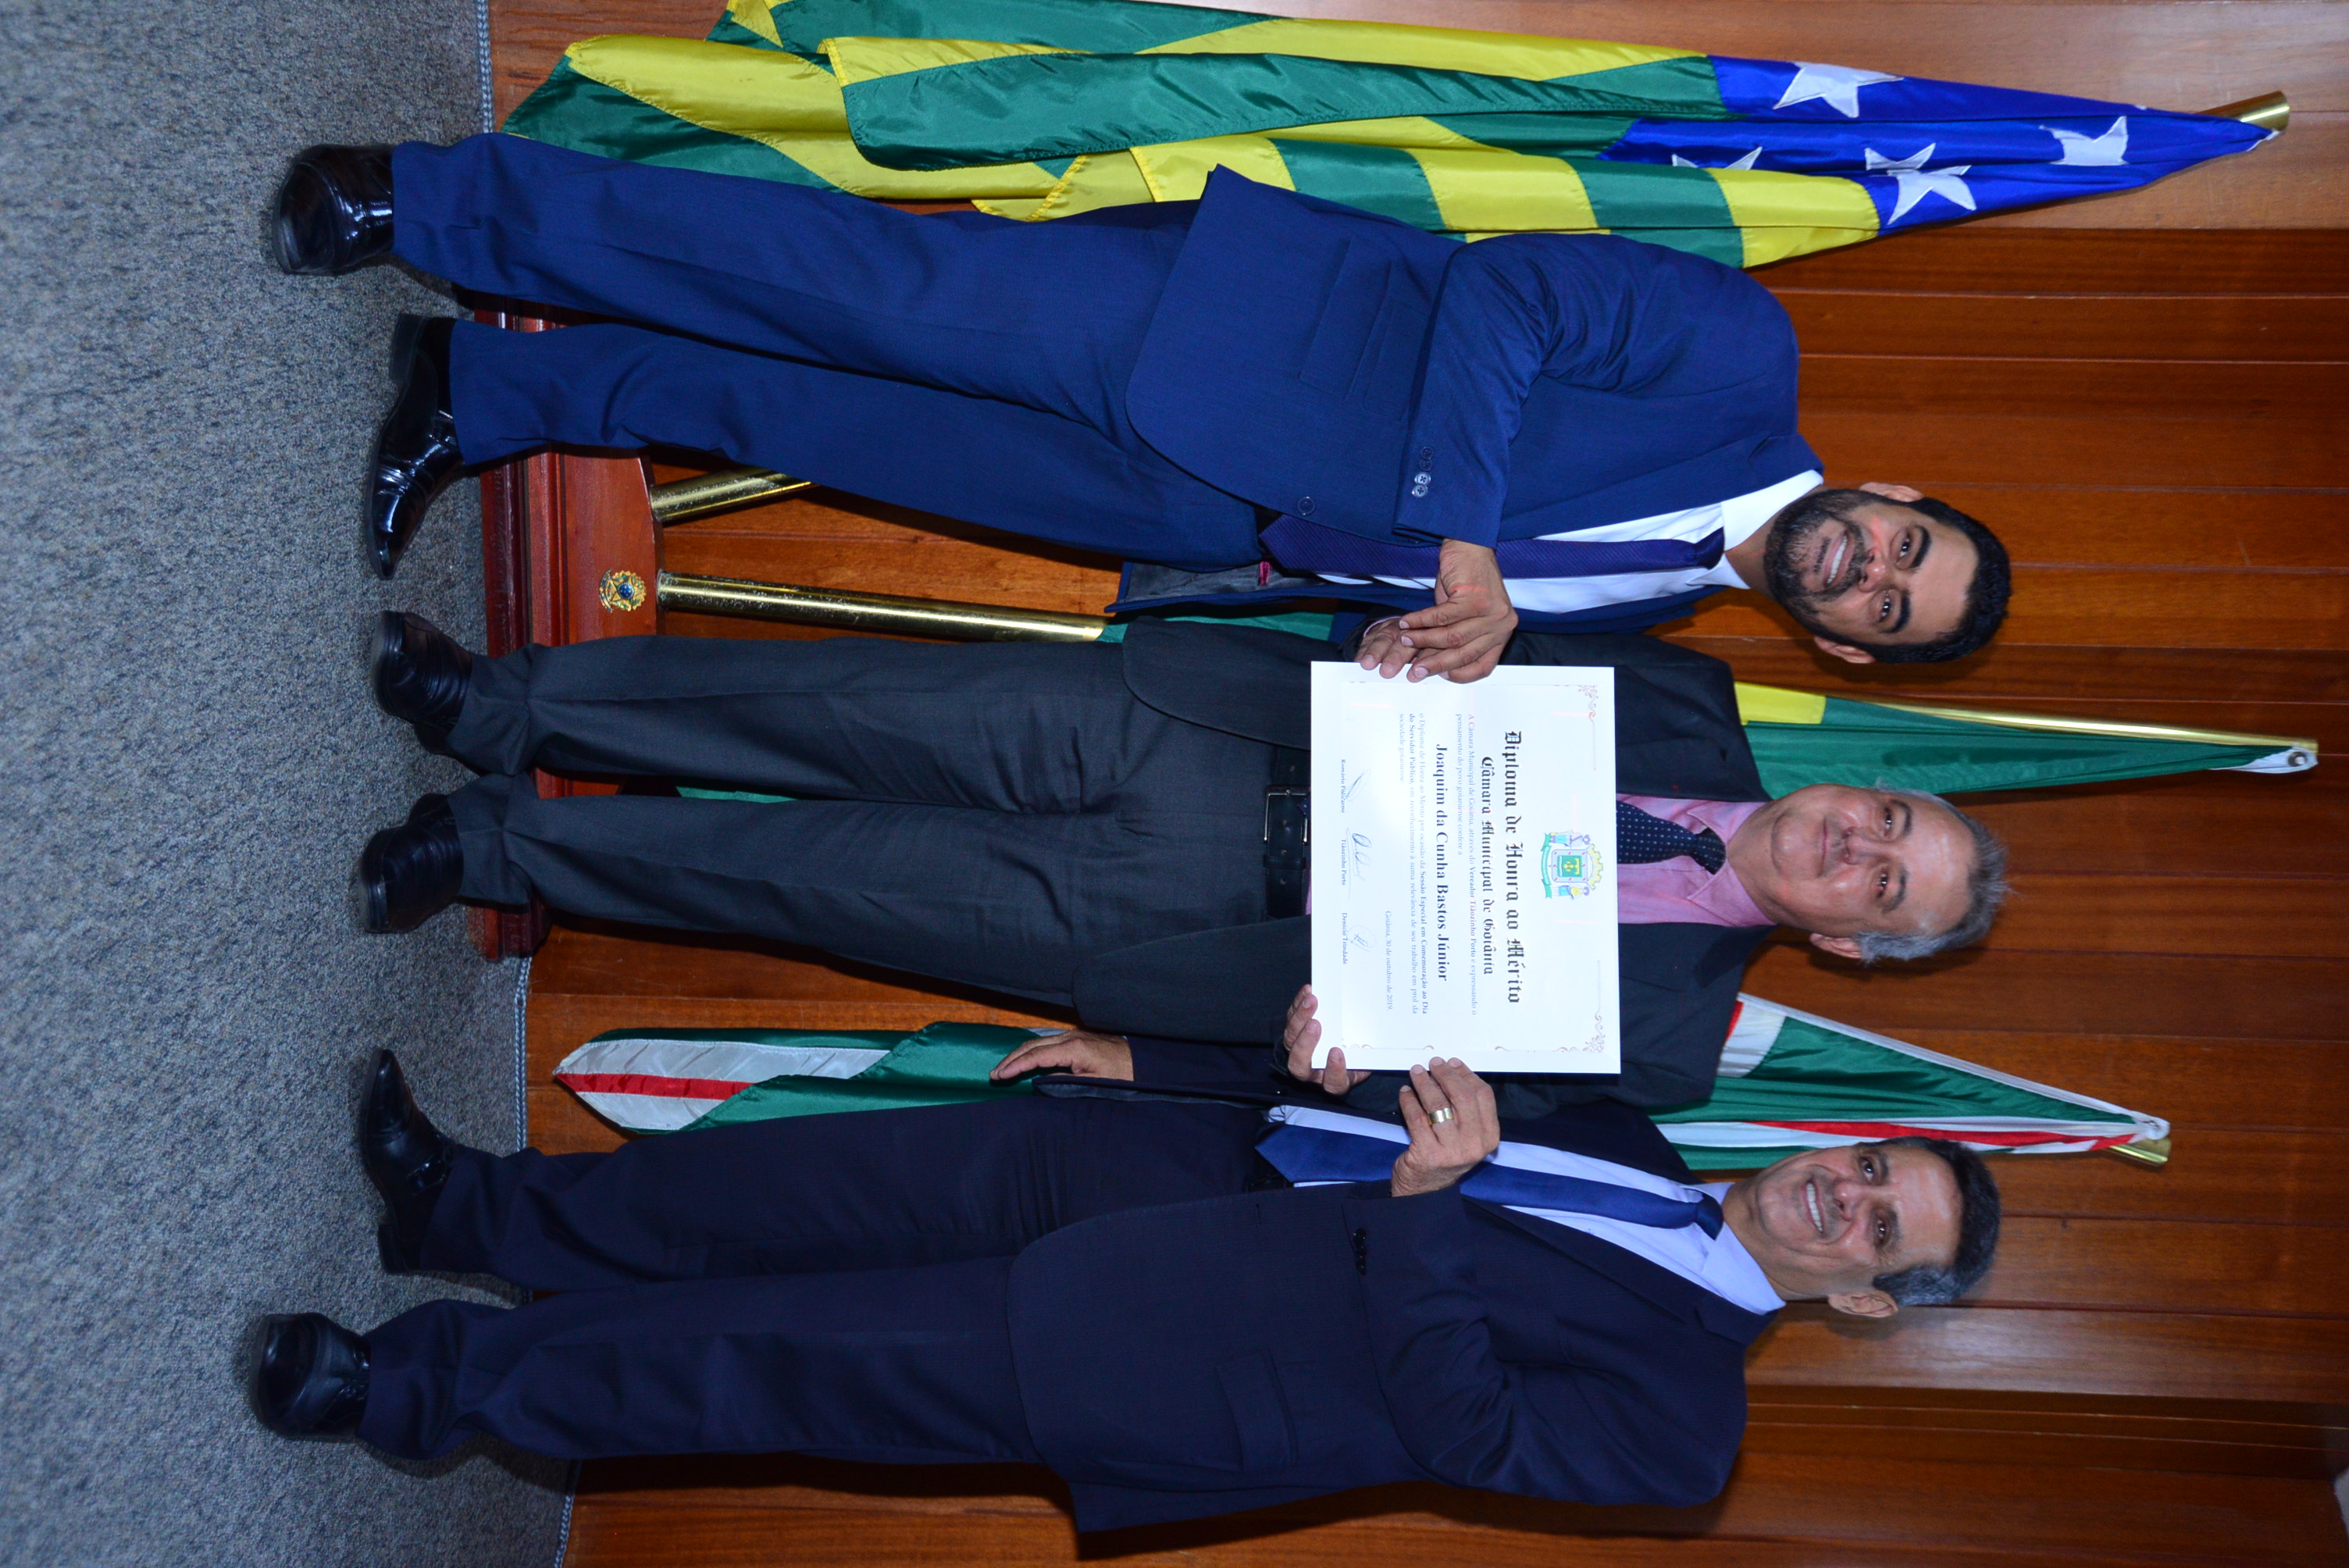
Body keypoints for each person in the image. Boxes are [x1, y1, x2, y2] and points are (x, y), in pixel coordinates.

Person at [270, 135, 2011, 680]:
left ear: (1842, 647)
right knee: (830, 278)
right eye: (1904, 548)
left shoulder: (1666, 611)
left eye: (1884, 607)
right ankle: (426, 202)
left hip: (1196, 517)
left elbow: (1426, 585)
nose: (1869, 570)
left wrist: (1388, 637)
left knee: (805, 418)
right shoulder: (1743, 361)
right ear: (1904, 492)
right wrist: (1466, 541)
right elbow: (1508, 292)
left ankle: (485, 387)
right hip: (1219, 333)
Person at [250, 1047, 2001, 1531]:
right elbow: (1391, 1071)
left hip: (1160, 1355)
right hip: (1163, 1161)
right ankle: (465, 1203)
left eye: (1879, 1231)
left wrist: (1424, 1210)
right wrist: (1194, 1056)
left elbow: (1468, 1427)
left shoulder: (1686, 1432)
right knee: (772, 1193)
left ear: (1862, 1302)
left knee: (754, 1356)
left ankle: (411, 1390)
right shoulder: (1629, 1129)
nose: (1846, 1197)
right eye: (1870, 1167)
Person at [355, 611, 2008, 1111]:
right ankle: (498, 704)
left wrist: (1343, 1070)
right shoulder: (1688, 692)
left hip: (1199, 935)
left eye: (1885, 886)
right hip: (1210, 730)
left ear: (1849, 948)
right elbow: (1475, 608)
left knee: (810, 879)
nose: (1859, 845)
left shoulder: (1666, 1043)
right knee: (828, 705)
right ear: (1868, 783)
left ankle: (491, 845)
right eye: (1891, 819)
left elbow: (1435, 1099)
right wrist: (1426, 622)